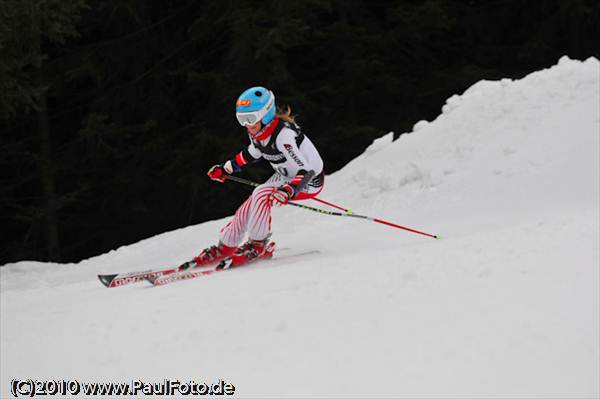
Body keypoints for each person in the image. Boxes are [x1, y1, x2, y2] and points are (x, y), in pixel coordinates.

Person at [194, 86, 324, 267]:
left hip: (309, 180)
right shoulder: (258, 132)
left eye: (250, 118)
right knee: (253, 200)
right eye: (242, 119)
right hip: (285, 175)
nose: (247, 124)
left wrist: (289, 190)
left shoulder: (283, 136)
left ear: (266, 115)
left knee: (261, 194)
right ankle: (225, 246)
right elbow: (251, 153)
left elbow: (306, 171)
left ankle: (258, 245)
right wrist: (226, 169)